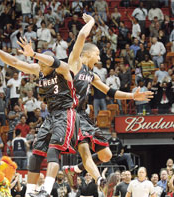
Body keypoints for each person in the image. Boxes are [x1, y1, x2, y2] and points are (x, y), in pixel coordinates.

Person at [0, 40, 80, 197]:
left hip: (65, 113)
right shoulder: (39, 70)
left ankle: (45, 192)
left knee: (53, 152)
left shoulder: (62, 69)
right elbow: (15, 63)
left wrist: (34, 54)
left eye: (42, 62)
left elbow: (53, 62)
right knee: (36, 155)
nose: (38, 66)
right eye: (38, 63)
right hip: (50, 116)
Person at [61, 14, 153, 182]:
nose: (99, 57)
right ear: (89, 53)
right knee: (85, 152)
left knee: (106, 154)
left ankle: (74, 169)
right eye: (97, 54)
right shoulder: (75, 63)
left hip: (83, 116)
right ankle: (100, 181)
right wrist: (92, 22)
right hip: (70, 114)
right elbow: (81, 36)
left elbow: (111, 92)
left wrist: (133, 95)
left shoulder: (92, 75)